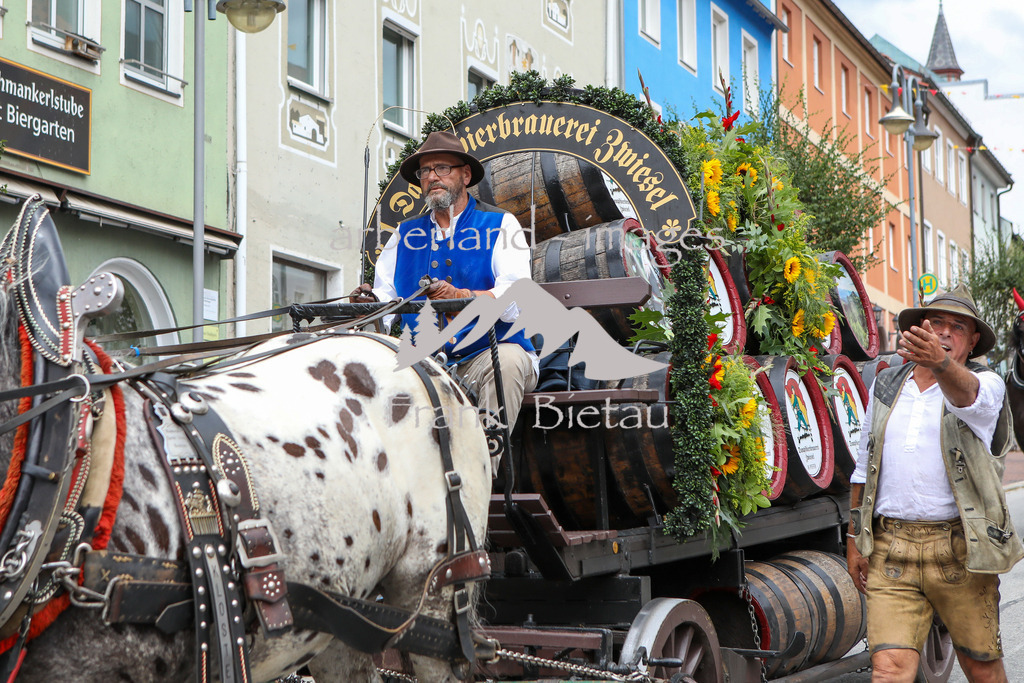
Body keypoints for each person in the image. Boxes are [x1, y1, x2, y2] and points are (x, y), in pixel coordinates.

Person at [847, 284, 1022, 683]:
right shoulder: (887, 383)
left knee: (981, 668)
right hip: (892, 549)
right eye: (937, 322)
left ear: (973, 340)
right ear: (921, 326)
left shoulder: (986, 383)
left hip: (960, 551)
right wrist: (855, 538)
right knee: (888, 669)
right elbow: (864, 464)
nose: (944, 332)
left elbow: (968, 397)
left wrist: (942, 366)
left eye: (957, 327)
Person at [350, 131, 538, 445]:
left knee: (506, 362)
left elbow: (515, 298)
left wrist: (464, 298)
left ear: (466, 175)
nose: (432, 177)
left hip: (485, 356)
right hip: (423, 363)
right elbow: (385, 301)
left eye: (442, 168)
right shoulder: (405, 234)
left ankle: (483, 475)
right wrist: (368, 304)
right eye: (425, 171)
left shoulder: (501, 224)